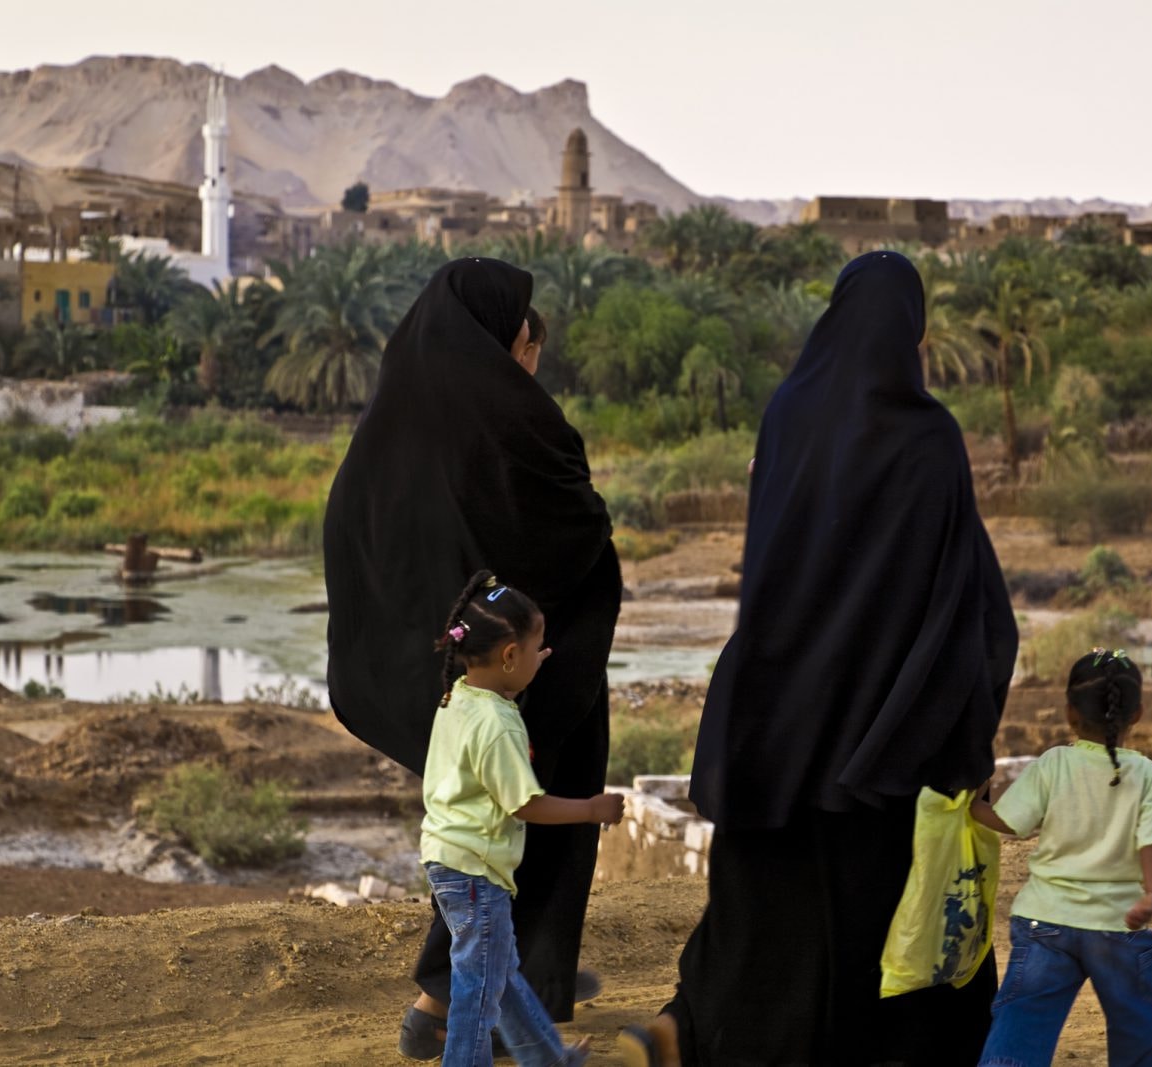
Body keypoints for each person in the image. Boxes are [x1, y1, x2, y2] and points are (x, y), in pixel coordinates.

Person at [619, 250, 1019, 1067]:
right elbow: (960, 592)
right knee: (885, 922)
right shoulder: (930, 436)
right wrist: (965, 734)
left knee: (763, 903)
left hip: (776, 712)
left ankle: (688, 1029)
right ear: (913, 332)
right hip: (888, 731)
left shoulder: (788, 413)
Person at [322, 258, 623, 1060]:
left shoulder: (397, 413)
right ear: (499, 340)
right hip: (515, 668)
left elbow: (357, 526)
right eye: (525, 345)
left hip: (460, 661)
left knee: (485, 826)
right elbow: (570, 525)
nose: (529, 362)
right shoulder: (510, 422)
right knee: (514, 822)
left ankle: (512, 986)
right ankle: (447, 1001)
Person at [422, 569, 624, 1067]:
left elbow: (495, 712)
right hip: (476, 875)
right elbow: (525, 804)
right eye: (537, 649)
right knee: (479, 990)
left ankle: (547, 1059)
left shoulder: (461, 697)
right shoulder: (497, 727)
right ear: (509, 657)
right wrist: (591, 809)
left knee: (501, 975)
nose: (543, 657)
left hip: (450, 862)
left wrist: (522, 671)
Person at [970, 648, 1152, 1067]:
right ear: (1137, 714)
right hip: (1118, 925)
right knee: (1135, 1023)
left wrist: (970, 804)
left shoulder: (1053, 765)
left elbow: (1009, 822)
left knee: (1022, 1019)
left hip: (1044, 923)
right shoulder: (1149, 778)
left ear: (1069, 713)